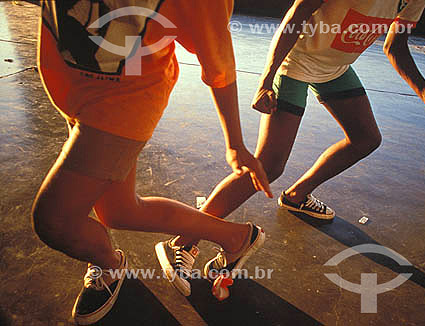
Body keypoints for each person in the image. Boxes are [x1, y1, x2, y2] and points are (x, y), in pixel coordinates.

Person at [168, 0, 425, 293]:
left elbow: (395, 46)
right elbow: (297, 14)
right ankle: (184, 239)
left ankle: (296, 196)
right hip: (296, 63)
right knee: (268, 166)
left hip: (335, 70)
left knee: (366, 138)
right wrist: (267, 78)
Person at [32, 0, 272, 324]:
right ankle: (236, 237)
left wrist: (236, 143)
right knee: (119, 212)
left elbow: (218, 61)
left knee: (54, 220)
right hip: (73, 88)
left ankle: (109, 266)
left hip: (123, 101)